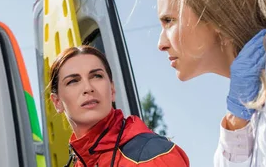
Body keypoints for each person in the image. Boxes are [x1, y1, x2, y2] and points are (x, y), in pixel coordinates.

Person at [155, 0, 266, 166]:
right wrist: (236, 121)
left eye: (169, 21)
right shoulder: (247, 104)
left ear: (214, 13)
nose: (161, 43)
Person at [47, 45, 190, 167]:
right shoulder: (80, 161)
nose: (88, 87)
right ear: (57, 102)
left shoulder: (153, 156)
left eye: (96, 76)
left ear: (112, 89)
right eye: (73, 81)